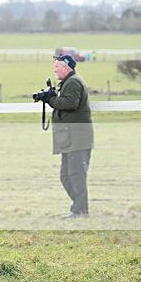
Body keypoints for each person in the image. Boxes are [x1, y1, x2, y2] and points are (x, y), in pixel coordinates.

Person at [36, 54, 94, 219]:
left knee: (76, 175)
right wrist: (50, 97)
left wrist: (51, 100)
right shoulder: (68, 82)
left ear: (66, 67)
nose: (54, 70)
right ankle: (79, 207)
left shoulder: (73, 82)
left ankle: (80, 210)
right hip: (70, 137)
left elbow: (70, 103)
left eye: (57, 66)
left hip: (77, 137)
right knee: (66, 176)